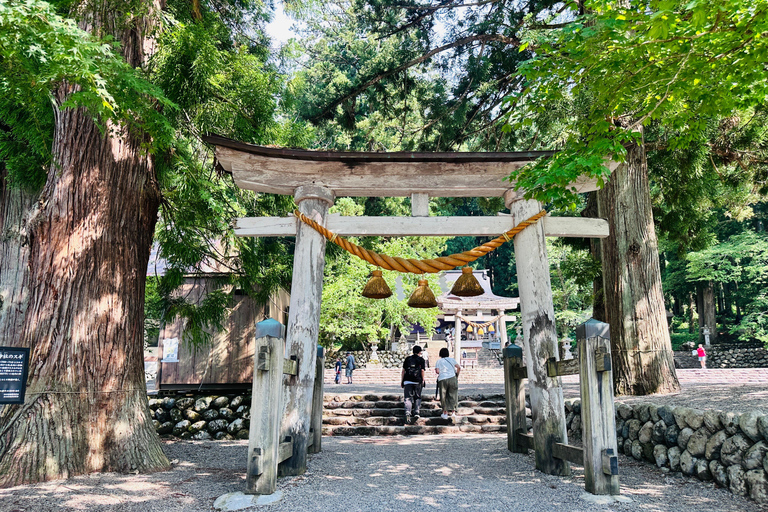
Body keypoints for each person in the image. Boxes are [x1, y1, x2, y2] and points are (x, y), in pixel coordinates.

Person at [401, 345, 426, 424]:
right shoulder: (421, 359)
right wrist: (423, 380)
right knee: (417, 397)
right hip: (417, 381)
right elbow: (422, 370)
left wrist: (402, 381)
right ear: (420, 352)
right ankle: (416, 412)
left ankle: (407, 412)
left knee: (407, 398)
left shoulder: (408, 359)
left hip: (407, 380)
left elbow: (403, 371)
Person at [435, 347, 461, 420]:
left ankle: (445, 413)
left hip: (442, 379)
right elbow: (459, 367)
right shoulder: (452, 360)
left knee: (443, 396)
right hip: (452, 377)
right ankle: (453, 412)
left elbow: (437, 371)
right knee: (453, 395)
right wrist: (456, 375)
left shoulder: (439, 361)